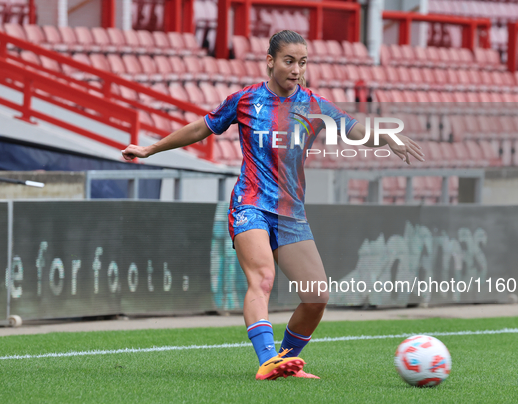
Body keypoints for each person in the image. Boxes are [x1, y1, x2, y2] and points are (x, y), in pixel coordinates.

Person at [122, 30, 424, 380]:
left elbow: (353, 130)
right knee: (263, 278)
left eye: (303, 62)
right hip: (250, 204)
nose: (297, 69)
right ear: (270, 61)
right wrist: (149, 149)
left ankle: (284, 360)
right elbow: (200, 129)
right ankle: (267, 359)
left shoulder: (314, 105)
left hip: (291, 213)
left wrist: (384, 136)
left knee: (317, 297)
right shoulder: (246, 100)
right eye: (289, 61)